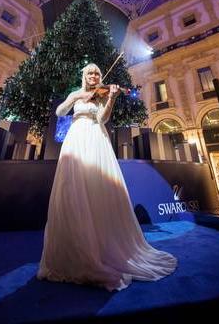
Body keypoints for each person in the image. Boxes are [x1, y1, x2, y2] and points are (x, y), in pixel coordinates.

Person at [37, 63, 177, 291]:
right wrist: (76, 98)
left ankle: (101, 247)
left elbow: (102, 118)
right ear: (84, 76)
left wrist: (110, 98)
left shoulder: (102, 95)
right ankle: (74, 249)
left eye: (97, 74)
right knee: (72, 187)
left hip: (95, 138)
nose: (94, 76)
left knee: (96, 186)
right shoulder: (77, 93)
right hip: (75, 138)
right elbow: (59, 112)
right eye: (90, 73)